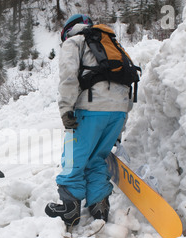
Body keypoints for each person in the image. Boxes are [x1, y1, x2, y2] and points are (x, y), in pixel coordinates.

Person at [45, 14, 133, 226]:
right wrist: (120, 127)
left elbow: (68, 75)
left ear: (68, 31)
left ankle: (70, 208)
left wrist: (66, 108)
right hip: (119, 110)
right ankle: (99, 207)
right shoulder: (112, 44)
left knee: (74, 158)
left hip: (91, 109)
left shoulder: (74, 41)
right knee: (97, 158)